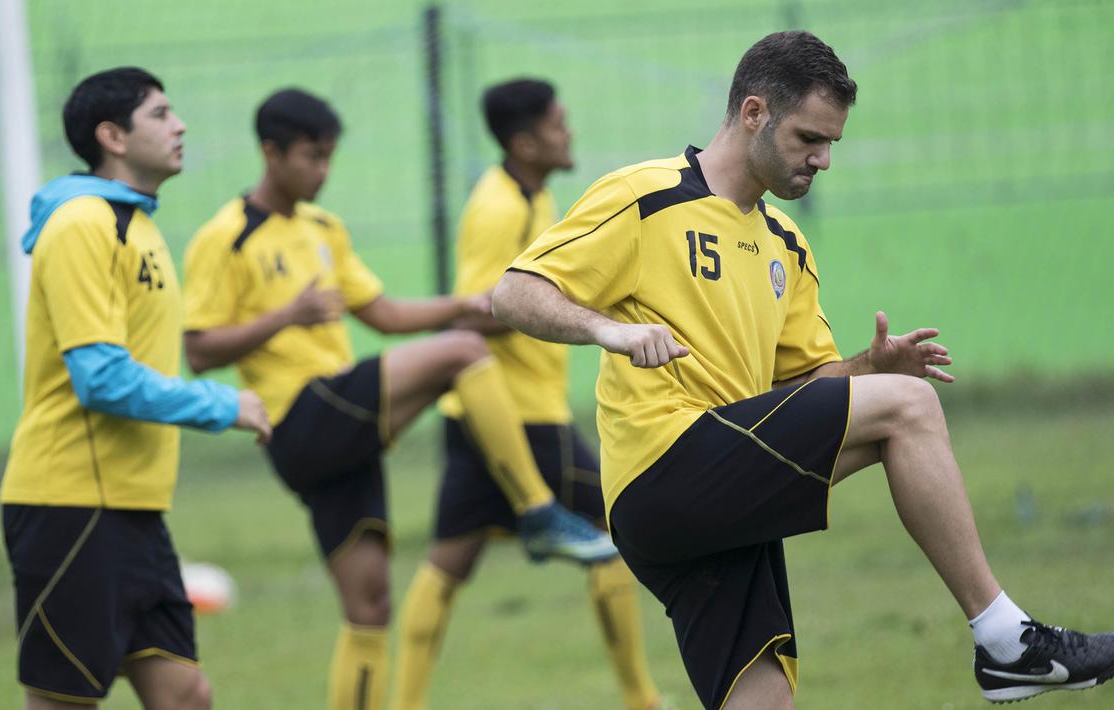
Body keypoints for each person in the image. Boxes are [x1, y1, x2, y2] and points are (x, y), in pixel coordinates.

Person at [492, 31, 1114, 710]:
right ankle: (1005, 641)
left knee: (762, 701)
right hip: (662, 470)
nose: (821, 160)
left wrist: (865, 368)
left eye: (831, 145)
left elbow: (797, 400)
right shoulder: (648, 195)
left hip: (722, 487)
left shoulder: (785, 244)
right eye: (808, 138)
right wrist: (606, 329)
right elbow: (514, 292)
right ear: (753, 112)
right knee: (907, 407)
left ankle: (1004, 646)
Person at [180, 87, 616, 710]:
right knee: (465, 353)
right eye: (311, 157)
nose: (322, 171)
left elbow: (382, 313)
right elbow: (199, 350)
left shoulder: (324, 228)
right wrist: (288, 315)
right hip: (300, 414)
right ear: (270, 153)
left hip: (341, 429)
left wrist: (463, 305)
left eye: (330, 157)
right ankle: (539, 513)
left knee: (369, 609)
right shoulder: (227, 236)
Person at [0, 67, 271, 710]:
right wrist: (223, 404)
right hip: (70, 504)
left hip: (133, 509)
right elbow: (102, 378)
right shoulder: (83, 223)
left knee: (185, 695)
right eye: (160, 114)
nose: (179, 126)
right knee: (63, 702)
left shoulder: (137, 224)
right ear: (111, 136)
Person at [391, 78, 667, 710]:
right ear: (523, 141)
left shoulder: (528, 196)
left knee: (445, 567)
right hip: (523, 419)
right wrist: (573, 306)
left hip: (480, 418)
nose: (569, 133)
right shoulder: (500, 208)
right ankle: (642, 699)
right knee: (614, 535)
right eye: (557, 124)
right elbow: (478, 309)